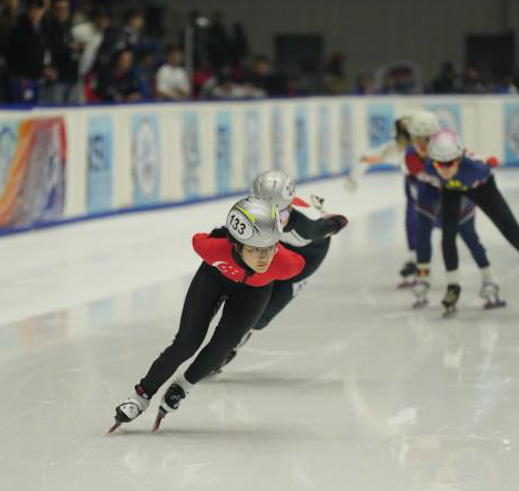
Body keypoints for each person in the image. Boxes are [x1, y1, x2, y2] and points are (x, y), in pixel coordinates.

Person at [108, 196, 305, 432]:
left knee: (222, 348)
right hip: (214, 279)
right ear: (236, 244)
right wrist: (219, 233)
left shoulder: (284, 264)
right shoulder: (212, 249)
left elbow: (305, 262)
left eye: (270, 248)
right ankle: (140, 396)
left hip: (254, 293)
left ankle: (183, 387)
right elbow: (198, 239)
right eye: (254, 249)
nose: (263, 258)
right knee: (186, 343)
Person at [211, 171, 348, 374]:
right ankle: (232, 336)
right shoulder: (267, 212)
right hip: (277, 247)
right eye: (261, 210)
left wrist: (331, 220)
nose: (270, 220)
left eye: (279, 214)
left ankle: (236, 341)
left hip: (306, 257)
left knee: (261, 316)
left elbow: (340, 221)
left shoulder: (306, 228)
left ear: (289, 208)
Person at [415, 126, 516, 314]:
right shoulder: (430, 166)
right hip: (452, 190)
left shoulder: (475, 169)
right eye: (439, 164)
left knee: (510, 230)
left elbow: (484, 164)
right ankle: (453, 286)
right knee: (448, 236)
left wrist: (488, 162)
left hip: (481, 187)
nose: (444, 169)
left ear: (459, 158)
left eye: (449, 163)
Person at [344, 116, 415, 283]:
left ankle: (418, 259)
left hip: (432, 187)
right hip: (415, 188)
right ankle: (415, 259)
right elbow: (367, 158)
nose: (405, 143)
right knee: (413, 221)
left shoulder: (426, 146)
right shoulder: (395, 149)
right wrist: (354, 177)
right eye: (401, 139)